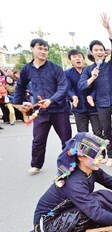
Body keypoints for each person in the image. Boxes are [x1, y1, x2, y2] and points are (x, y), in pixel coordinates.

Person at [78, 13, 112, 167]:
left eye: (101, 49)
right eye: (96, 50)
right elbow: (82, 86)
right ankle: (111, 155)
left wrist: (109, 30)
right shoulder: (88, 69)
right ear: (91, 52)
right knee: (106, 131)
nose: (99, 52)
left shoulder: (111, 64)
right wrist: (92, 78)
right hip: (101, 104)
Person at [13, 38, 72, 174]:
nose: (43, 52)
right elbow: (20, 86)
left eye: (45, 49)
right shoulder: (27, 69)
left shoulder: (55, 68)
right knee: (38, 140)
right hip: (40, 112)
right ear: (32, 49)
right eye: (40, 48)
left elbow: (63, 87)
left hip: (59, 110)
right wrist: (17, 104)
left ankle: (69, 165)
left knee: (66, 140)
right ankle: (36, 165)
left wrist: (51, 100)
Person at [65, 49, 103, 138]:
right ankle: (84, 152)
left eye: (80, 57)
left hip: (94, 107)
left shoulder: (91, 70)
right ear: (70, 60)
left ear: (84, 59)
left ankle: (101, 152)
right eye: (74, 57)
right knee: (82, 135)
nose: (78, 59)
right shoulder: (67, 73)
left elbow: (98, 87)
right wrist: (73, 96)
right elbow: (68, 88)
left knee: (98, 133)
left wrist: (92, 96)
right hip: (78, 108)